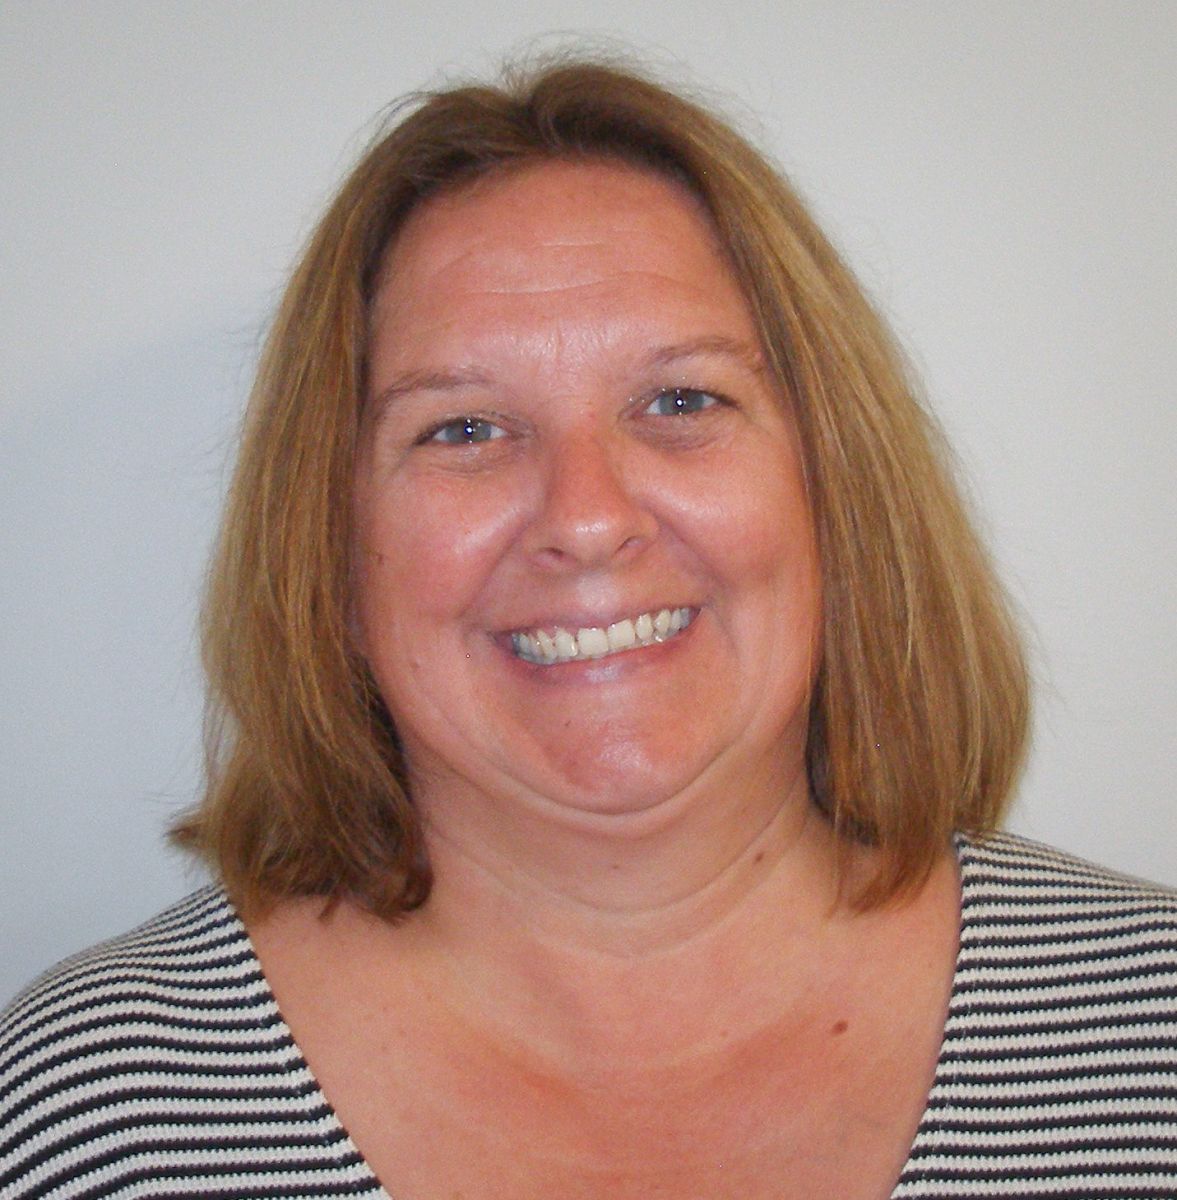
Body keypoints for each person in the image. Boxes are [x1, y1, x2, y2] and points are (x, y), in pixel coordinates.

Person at [1, 57, 1174, 1200]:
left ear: (833, 490)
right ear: (332, 542)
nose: (587, 519)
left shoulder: (1146, 1034)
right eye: (463, 429)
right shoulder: (94, 1114)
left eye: (679, 401)